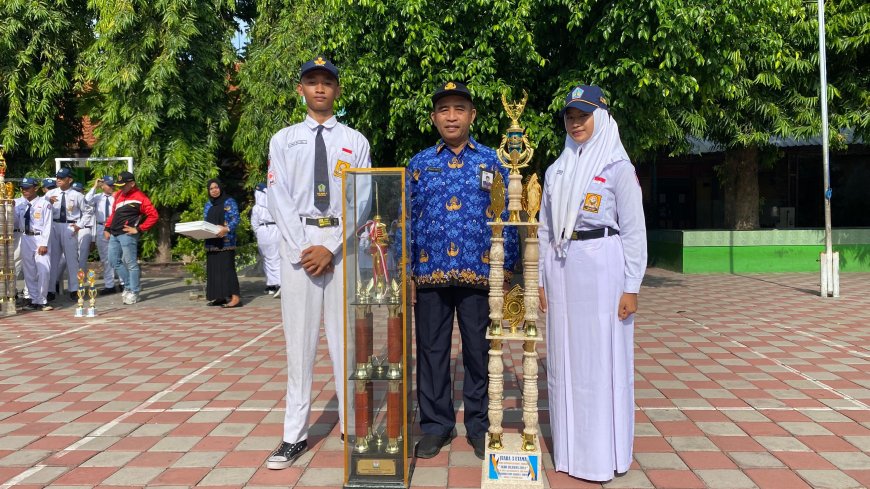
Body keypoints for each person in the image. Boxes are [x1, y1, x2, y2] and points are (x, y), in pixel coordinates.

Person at [265, 56, 371, 470]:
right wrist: (304, 248)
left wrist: (330, 245)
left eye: (328, 82)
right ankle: (294, 434)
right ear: (301, 90)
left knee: (347, 344)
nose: (321, 88)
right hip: (300, 251)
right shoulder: (284, 139)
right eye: (313, 82)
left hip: (341, 248)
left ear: (338, 90)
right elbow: (280, 198)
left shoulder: (355, 140)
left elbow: (360, 198)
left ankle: (352, 426)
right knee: (300, 347)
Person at [538, 85, 647, 482]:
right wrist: (539, 279)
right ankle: (569, 452)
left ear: (600, 116)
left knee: (602, 362)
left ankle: (603, 455)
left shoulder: (617, 168)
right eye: (570, 116)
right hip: (563, 266)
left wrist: (632, 286)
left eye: (583, 115)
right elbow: (544, 227)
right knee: (565, 358)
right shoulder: (557, 170)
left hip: (603, 265)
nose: (576, 123)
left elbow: (634, 231)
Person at [407, 81, 518, 460]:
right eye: (444, 109)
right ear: (434, 117)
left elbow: (506, 216)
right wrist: (405, 272)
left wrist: (508, 273)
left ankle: (479, 426)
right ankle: (436, 426)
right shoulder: (418, 164)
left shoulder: (493, 161)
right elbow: (406, 221)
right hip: (429, 274)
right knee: (432, 352)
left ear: (471, 115)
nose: (451, 116)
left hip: (480, 273)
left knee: (479, 352)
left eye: (459, 108)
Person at [103, 171, 159, 305]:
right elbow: (113, 214)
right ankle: (128, 286)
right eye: (119, 185)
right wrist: (106, 228)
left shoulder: (140, 197)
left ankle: (134, 291)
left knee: (131, 263)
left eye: (123, 185)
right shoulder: (119, 195)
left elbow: (154, 215)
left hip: (128, 234)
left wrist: (139, 229)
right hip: (114, 234)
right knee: (112, 261)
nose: (120, 188)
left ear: (132, 184)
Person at [45, 168, 85, 301]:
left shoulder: (77, 195)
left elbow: (88, 211)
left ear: (70, 179)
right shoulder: (50, 194)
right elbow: (41, 210)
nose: (58, 180)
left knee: (72, 259)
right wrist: (48, 203)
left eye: (61, 178)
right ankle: (50, 289)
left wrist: (79, 225)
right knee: (53, 259)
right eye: (57, 177)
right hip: (54, 225)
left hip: (69, 225)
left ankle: (74, 289)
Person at [15, 178, 54, 311]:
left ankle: (42, 299)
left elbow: (48, 225)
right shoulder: (20, 204)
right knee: (29, 270)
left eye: (27, 188)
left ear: (35, 188)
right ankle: (32, 298)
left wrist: (44, 243)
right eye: (23, 188)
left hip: (39, 237)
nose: (24, 191)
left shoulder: (44, 204)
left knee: (43, 269)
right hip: (25, 237)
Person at [203, 179, 241, 308]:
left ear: (220, 188)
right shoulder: (208, 204)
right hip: (211, 242)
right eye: (211, 188)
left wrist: (226, 228)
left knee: (227, 269)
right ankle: (219, 297)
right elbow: (205, 222)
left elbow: (235, 218)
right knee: (214, 270)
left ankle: (235, 297)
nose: (214, 190)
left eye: (216, 187)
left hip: (226, 241)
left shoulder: (228, 201)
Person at [85, 176, 119, 294]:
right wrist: (95, 186)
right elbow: (87, 200)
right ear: (103, 186)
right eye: (109, 185)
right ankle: (110, 285)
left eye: (113, 185)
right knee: (105, 258)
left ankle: (125, 283)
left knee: (120, 256)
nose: (112, 187)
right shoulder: (97, 197)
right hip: (101, 226)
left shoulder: (117, 196)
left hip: (116, 227)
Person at [250, 182, 281, 294]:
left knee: (267, 259)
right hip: (275, 231)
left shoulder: (256, 208)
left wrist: (258, 233)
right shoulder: (274, 205)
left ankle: (273, 284)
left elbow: (254, 224)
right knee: (276, 258)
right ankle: (276, 283)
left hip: (264, 232)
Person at [72, 181, 95, 280]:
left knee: (82, 258)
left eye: (79, 191)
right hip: (73, 229)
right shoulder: (71, 201)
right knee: (69, 257)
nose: (77, 193)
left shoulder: (88, 202)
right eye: (75, 191)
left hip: (85, 230)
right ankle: (73, 280)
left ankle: (80, 281)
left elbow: (93, 221)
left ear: (83, 191)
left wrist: (93, 239)